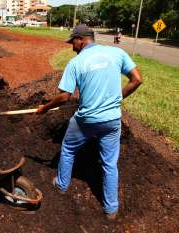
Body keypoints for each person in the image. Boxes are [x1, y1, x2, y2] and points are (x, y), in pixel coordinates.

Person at [37, 24, 143, 220]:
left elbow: (64, 97)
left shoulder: (76, 63)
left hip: (87, 119)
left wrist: (44, 108)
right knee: (110, 164)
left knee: (68, 148)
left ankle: (61, 185)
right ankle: (111, 210)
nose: (72, 46)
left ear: (82, 40)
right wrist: (117, 98)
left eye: (73, 42)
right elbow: (137, 79)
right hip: (112, 119)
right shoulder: (117, 52)